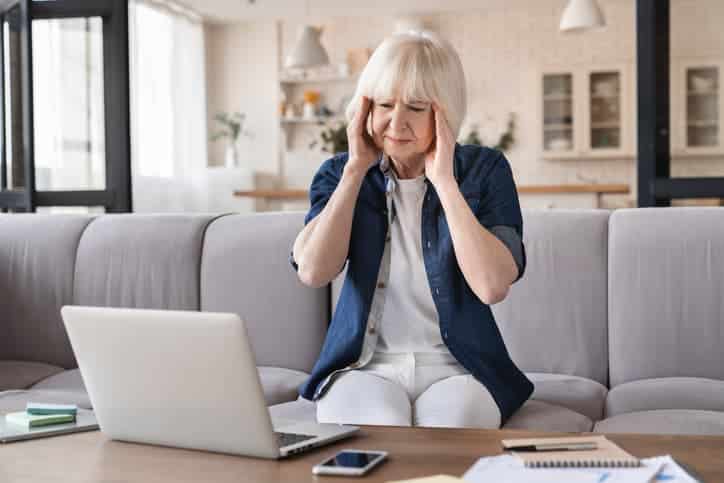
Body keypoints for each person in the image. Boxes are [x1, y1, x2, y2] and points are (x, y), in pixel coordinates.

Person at [289, 30, 532, 428]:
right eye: (384, 104)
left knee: (451, 428)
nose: (396, 121)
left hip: (461, 369)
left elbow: (492, 285)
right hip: (363, 367)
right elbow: (313, 271)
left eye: (416, 107)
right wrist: (354, 172)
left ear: (445, 112)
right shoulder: (338, 173)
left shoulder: (485, 170)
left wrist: (444, 182)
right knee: (375, 431)